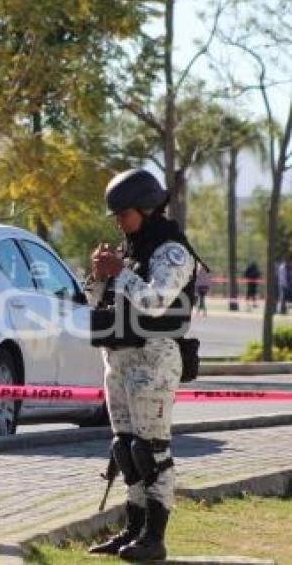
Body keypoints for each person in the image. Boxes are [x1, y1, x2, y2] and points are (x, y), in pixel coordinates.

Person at [86, 169, 198, 562]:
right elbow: (97, 303)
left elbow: (154, 302)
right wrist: (99, 277)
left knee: (151, 449)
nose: (118, 221)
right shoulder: (130, 250)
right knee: (125, 448)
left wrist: (121, 272)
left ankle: (155, 537)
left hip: (154, 359)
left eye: (123, 213)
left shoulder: (172, 251)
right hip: (118, 357)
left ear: (146, 209)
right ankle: (132, 531)